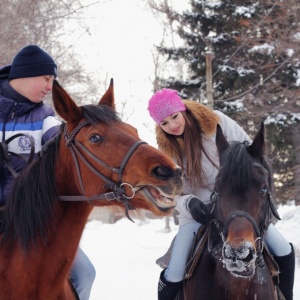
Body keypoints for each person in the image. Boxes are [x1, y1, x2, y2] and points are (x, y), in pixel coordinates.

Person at [147, 88, 295, 300]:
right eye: (164, 123)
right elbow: (174, 193)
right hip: (197, 212)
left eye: (174, 117)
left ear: (182, 110)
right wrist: (189, 204)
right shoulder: (168, 152)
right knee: (175, 270)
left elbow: (251, 154)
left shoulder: (218, 123)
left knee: (283, 250)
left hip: (237, 203)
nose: (172, 125)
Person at [0, 45, 96, 300]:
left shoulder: (46, 118)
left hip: (30, 221)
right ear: (25, 74)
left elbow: (67, 152)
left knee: (84, 273)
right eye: (46, 78)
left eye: (52, 80)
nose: (50, 87)